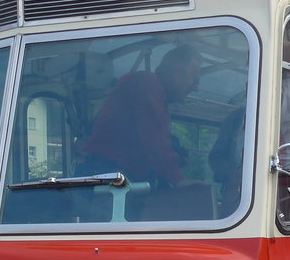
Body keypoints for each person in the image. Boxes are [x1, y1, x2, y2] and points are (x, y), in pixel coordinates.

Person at [78, 45, 202, 187]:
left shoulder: (153, 92)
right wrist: (178, 179)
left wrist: (174, 158)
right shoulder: (146, 84)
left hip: (112, 177)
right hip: (108, 179)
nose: (195, 87)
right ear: (176, 73)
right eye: (194, 80)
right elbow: (153, 139)